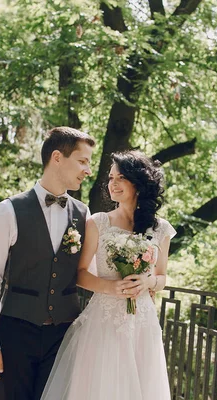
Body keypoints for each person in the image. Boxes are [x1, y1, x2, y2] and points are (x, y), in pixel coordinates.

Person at [0, 127, 134, 400]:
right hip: (16, 331)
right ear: (57, 157)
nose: (87, 170)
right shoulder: (9, 209)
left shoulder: (83, 213)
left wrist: (138, 278)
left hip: (64, 334)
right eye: (82, 161)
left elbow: (88, 271)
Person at [41, 150, 175, 400]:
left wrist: (148, 281)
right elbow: (79, 274)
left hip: (142, 323)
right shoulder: (98, 222)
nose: (112, 184)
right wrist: (111, 288)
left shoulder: (161, 228)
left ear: (138, 182)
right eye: (110, 178)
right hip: (104, 322)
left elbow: (162, 278)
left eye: (120, 177)